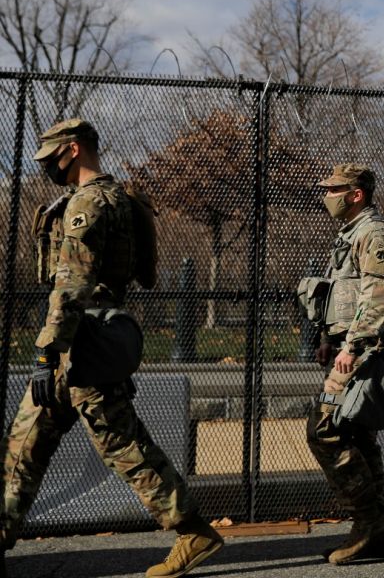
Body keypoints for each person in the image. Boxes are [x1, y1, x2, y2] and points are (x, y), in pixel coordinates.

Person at [0, 119, 222, 578]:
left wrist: (46, 352)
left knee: (121, 443)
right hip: (85, 338)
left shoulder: (88, 203)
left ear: (74, 149)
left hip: (82, 342)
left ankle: (193, 529)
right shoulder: (119, 197)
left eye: (50, 158)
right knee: (24, 444)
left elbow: (72, 284)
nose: (46, 168)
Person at [305, 163, 384, 563]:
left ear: (356, 194)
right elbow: (343, 296)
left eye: (332, 189)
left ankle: (369, 523)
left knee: (325, 431)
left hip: (366, 355)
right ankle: (374, 530)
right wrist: (327, 341)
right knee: (356, 435)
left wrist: (350, 348)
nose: (325, 195)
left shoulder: (375, 235)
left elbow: (377, 299)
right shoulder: (350, 235)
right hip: (351, 350)